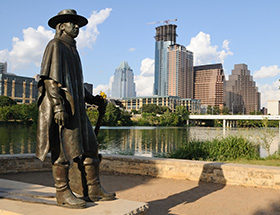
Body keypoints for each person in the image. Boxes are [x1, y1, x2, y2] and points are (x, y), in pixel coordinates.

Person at [36, 9, 115, 208]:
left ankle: (93, 188)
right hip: (63, 108)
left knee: (91, 148)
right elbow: (50, 81)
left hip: (78, 110)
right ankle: (62, 192)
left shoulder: (73, 49)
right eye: (72, 23)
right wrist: (58, 106)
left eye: (77, 23)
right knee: (62, 151)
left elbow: (76, 84)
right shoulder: (55, 45)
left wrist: (93, 99)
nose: (77, 26)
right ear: (61, 26)